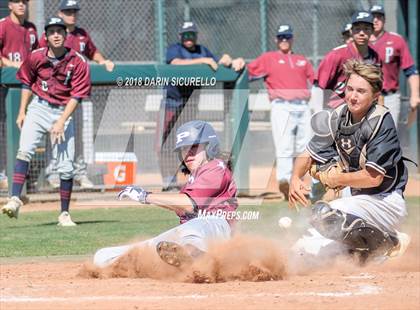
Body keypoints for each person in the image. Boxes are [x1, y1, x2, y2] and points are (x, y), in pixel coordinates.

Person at [289, 60, 410, 264]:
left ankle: (391, 241)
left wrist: (338, 178)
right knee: (303, 252)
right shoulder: (338, 116)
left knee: (325, 214)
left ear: (375, 95)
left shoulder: (381, 122)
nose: (353, 96)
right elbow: (308, 154)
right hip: (356, 201)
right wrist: (294, 178)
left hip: (385, 201)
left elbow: (373, 178)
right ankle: (364, 254)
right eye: (350, 89)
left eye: (361, 91)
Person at [94, 120, 238, 268]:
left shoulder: (216, 168)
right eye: (183, 149)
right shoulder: (192, 180)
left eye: (194, 147)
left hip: (216, 229)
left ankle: (202, 263)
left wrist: (145, 196)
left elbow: (189, 204)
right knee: (104, 256)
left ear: (209, 147)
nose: (187, 153)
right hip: (188, 234)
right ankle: (172, 262)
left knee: (192, 230)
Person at [1, 17, 91, 226]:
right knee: (24, 151)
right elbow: (26, 81)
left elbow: (77, 95)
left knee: (66, 166)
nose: (56, 35)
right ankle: (14, 199)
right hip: (38, 107)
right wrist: (22, 110)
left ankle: (64, 214)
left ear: (65, 35)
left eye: (60, 31)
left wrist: (61, 121)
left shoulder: (77, 60)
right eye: (52, 32)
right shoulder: (36, 56)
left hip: (63, 110)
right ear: (46, 36)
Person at [157, 21, 244, 191]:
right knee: (165, 143)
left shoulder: (201, 50)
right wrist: (204, 60)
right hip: (171, 103)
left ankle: (193, 180)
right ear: (180, 36)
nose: (189, 38)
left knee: (190, 145)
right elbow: (174, 63)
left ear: (196, 36)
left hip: (190, 105)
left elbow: (217, 63)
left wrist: (228, 59)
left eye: (192, 35)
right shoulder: (175, 49)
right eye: (185, 35)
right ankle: (170, 180)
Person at [39, 0, 114, 189]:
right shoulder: (50, 33)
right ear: (60, 13)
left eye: (74, 11)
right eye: (67, 11)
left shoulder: (81, 34)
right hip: (55, 96)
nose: (72, 14)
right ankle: (53, 173)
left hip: (76, 95)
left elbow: (93, 52)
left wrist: (103, 61)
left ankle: (79, 173)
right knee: (55, 132)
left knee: (79, 136)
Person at [246, 24, 314, 200]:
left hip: (302, 105)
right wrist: (236, 63)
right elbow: (247, 72)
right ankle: (285, 182)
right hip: (281, 105)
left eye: (287, 37)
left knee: (305, 147)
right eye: (281, 37)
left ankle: (305, 185)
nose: (284, 40)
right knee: (284, 145)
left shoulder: (302, 59)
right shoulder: (269, 58)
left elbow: (316, 79)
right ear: (276, 40)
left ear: (292, 39)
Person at [0, 0, 39, 190]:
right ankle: (2, 174)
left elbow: (39, 54)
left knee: (29, 130)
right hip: (5, 88)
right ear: (10, 5)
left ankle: (23, 176)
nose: (21, 4)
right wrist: (12, 64)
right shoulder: (3, 25)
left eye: (24, 1)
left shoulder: (31, 28)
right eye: (17, 1)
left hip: (28, 87)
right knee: (4, 131)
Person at [316, 11, 381, 108]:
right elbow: (318, 87)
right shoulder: (337, 55)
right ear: (351, 31)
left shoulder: (375, 56)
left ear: (372, 31)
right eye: (357, 29)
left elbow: (377, 89)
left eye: (366, 29)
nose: (361, 33)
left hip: (362, 109)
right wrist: (319, 113)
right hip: (335, 109)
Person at [369, 4, 419, 127]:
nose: (375, 20)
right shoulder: (360, 42)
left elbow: (411, 70)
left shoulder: (396, 40)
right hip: (366, 97)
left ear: (384, 20)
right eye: (372, 17)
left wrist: (415, 95)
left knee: (389, 137)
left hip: (389, 96)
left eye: (379, 17)